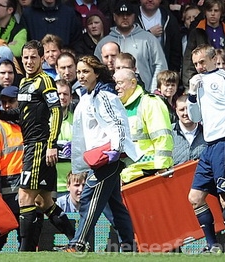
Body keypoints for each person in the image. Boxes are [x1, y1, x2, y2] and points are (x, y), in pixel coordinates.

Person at [0, 40, 75, 251]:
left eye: (33, 57)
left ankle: (24, 252)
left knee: (24, 196)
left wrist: (51, 144)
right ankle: (77, 238)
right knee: (44, 202)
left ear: (42, 59)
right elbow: (22, 113)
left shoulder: (45, 81)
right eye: (25, 57)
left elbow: (55, 111)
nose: (28, 61)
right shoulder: (25, 82)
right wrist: (3, 113)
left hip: (39, 146)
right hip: (32, 146)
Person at [65, 56, 136, 252]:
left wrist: (116, 149)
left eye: (85, 71)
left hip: (108, 157)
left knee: (89, 198)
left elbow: (119, 124)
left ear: (96, 73)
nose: (81, 75)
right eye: (78, 72)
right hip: (98, 158)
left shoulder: (104, 95)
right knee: (113, 206)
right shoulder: (88, 96)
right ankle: (129, 247)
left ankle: (78, 244)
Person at [187, 44, 225, 253]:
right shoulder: (199, 82)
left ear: (214, 59)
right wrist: (192, 93)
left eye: (202, 62)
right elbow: (194, 118)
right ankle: (212, 246)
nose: (199, 67)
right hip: (209, 144)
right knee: (195, 197)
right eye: (195, 64)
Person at [112, 68, 173, 184]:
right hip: (127, 175)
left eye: (120, 83)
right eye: (114, 84)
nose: (116, 87)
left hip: (150, 173)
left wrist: (162, 167)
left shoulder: (149, 102)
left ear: (133, 83)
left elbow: (162, 136)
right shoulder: (117, 109)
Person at [94, 0, 167, 92]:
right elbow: (95, 70)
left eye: (128, 14)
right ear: (114, 17)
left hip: (143, 95)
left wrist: (153, 91)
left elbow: (160, 65)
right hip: (111, 95)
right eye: (121, 15)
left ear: (134, 16)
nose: (125, 17)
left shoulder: (149, 39)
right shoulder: (104, 43)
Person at [0, 85, 23, 251]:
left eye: (11, 101)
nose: (7, 105)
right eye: (4, 102)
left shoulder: (27, 125)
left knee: (27, 238)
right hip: (6, 189)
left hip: (25, 187)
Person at [183, 0, 225, 90]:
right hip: (202, 80)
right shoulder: (197, 32)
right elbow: (188, 60)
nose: (212, 14)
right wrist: (189, 85)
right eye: (209, 10)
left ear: (221, 12)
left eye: (216, 10)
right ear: (205, 12)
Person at [136, 0, 182, 72]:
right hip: (137, 71)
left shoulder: (169, 18)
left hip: (162, 72)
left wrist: (172, 72)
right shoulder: (131, 16)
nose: (150, 0)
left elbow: (175, 51)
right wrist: (149, 34)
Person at [171, 94, 206, 166]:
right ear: (176, 111)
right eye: (181, 110)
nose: (186, 113)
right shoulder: (169, 133)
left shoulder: (206, 133)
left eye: (188, 109)